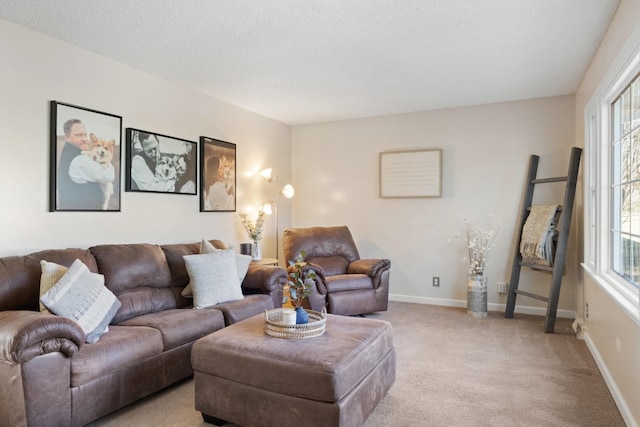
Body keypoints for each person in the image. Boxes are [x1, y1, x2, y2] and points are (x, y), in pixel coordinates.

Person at [57, 119, 115, 210]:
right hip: (83, 217)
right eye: (79, 135)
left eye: (85, 135)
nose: (85, 139)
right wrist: (106, 158)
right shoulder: (79, 161)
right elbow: (108, 176)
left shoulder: (73, 154)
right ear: (67, 137)